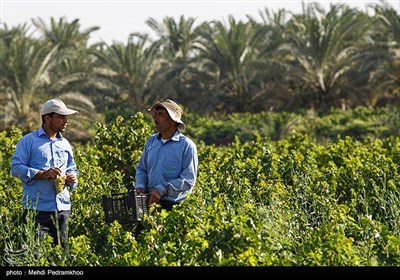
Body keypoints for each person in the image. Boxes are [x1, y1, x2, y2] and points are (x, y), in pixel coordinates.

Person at [11, 99, 79, 247]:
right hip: (36, 211)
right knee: (34, 256)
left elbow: (72, 167)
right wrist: (42, 174)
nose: (66, 121)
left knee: (60, 257)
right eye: (61, 117)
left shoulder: (65, 143)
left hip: (62, 210)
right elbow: (16, 168)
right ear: (47, 118)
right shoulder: (28, 141)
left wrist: (72, 178)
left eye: (66, 117)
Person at [134, 99, 198, 236]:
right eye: (154, 114)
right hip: (149, 205)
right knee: (140, 244)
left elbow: (188, 180)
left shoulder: (186, 146)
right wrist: (140, 185)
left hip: (173, 208)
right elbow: (141, 169)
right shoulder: (151, 141)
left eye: (160, 114)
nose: (155, 118)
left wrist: (161, 189)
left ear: (173, 120)